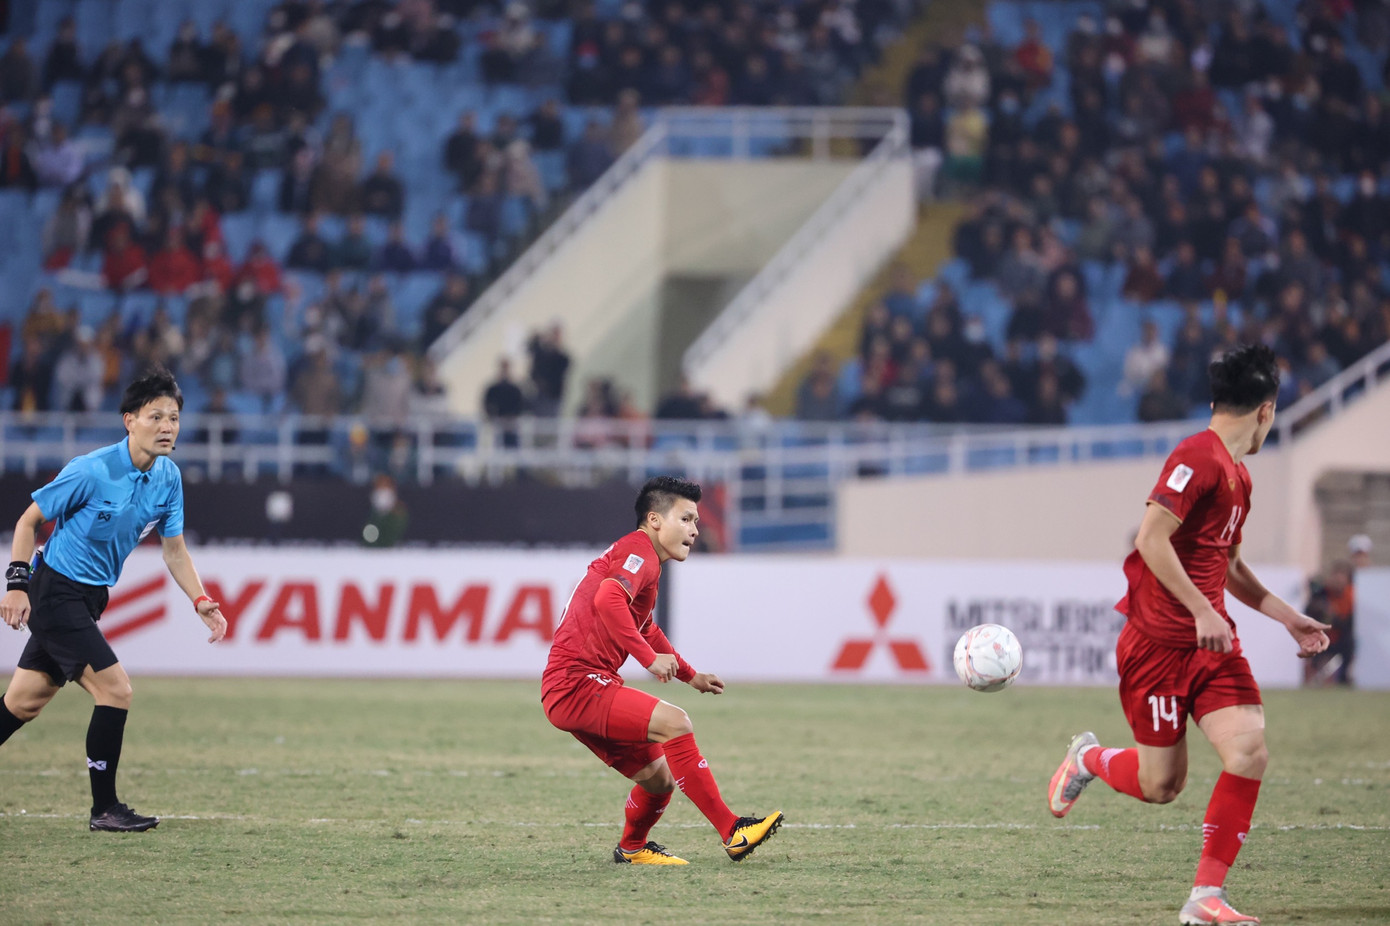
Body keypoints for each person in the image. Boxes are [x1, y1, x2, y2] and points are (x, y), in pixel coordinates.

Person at [1047, 344, 1331, 926]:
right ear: (1266, 411)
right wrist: (1203, 610)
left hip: (1212, 647)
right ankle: (1088, 758)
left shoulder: (1240, 478)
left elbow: (1230, 566)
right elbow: (1150, 538)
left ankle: (1205, 896)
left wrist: (1287, 616)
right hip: (1156, 648)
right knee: (1161, 786)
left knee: (1249, 751)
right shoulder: (1196, 457)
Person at [0, 366, 229, 832]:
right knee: (116, 690)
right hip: (54, 591)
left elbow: (174, 550)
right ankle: (104, 809)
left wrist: (199, 600)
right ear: (129, 420)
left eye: (174, 418)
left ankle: (104, 808)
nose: (167, 427)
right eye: (155, 416)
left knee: (22, 703)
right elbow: (28, 522)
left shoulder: (168, 478)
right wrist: (17, 585)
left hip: (89, 598)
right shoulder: (91, 470)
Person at [541, 477, 782, 865]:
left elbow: (645, 628)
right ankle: (733, 830)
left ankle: (632, 848)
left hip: (577, 686)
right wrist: (648, 659)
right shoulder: (639, 550)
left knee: (659, 779)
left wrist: (691, 675)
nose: (694, 530)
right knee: (676, 723)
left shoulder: (643, 560)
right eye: (685, 519)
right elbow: (608, 599)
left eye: (696, 521)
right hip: (577, 683)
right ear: (654, 520)